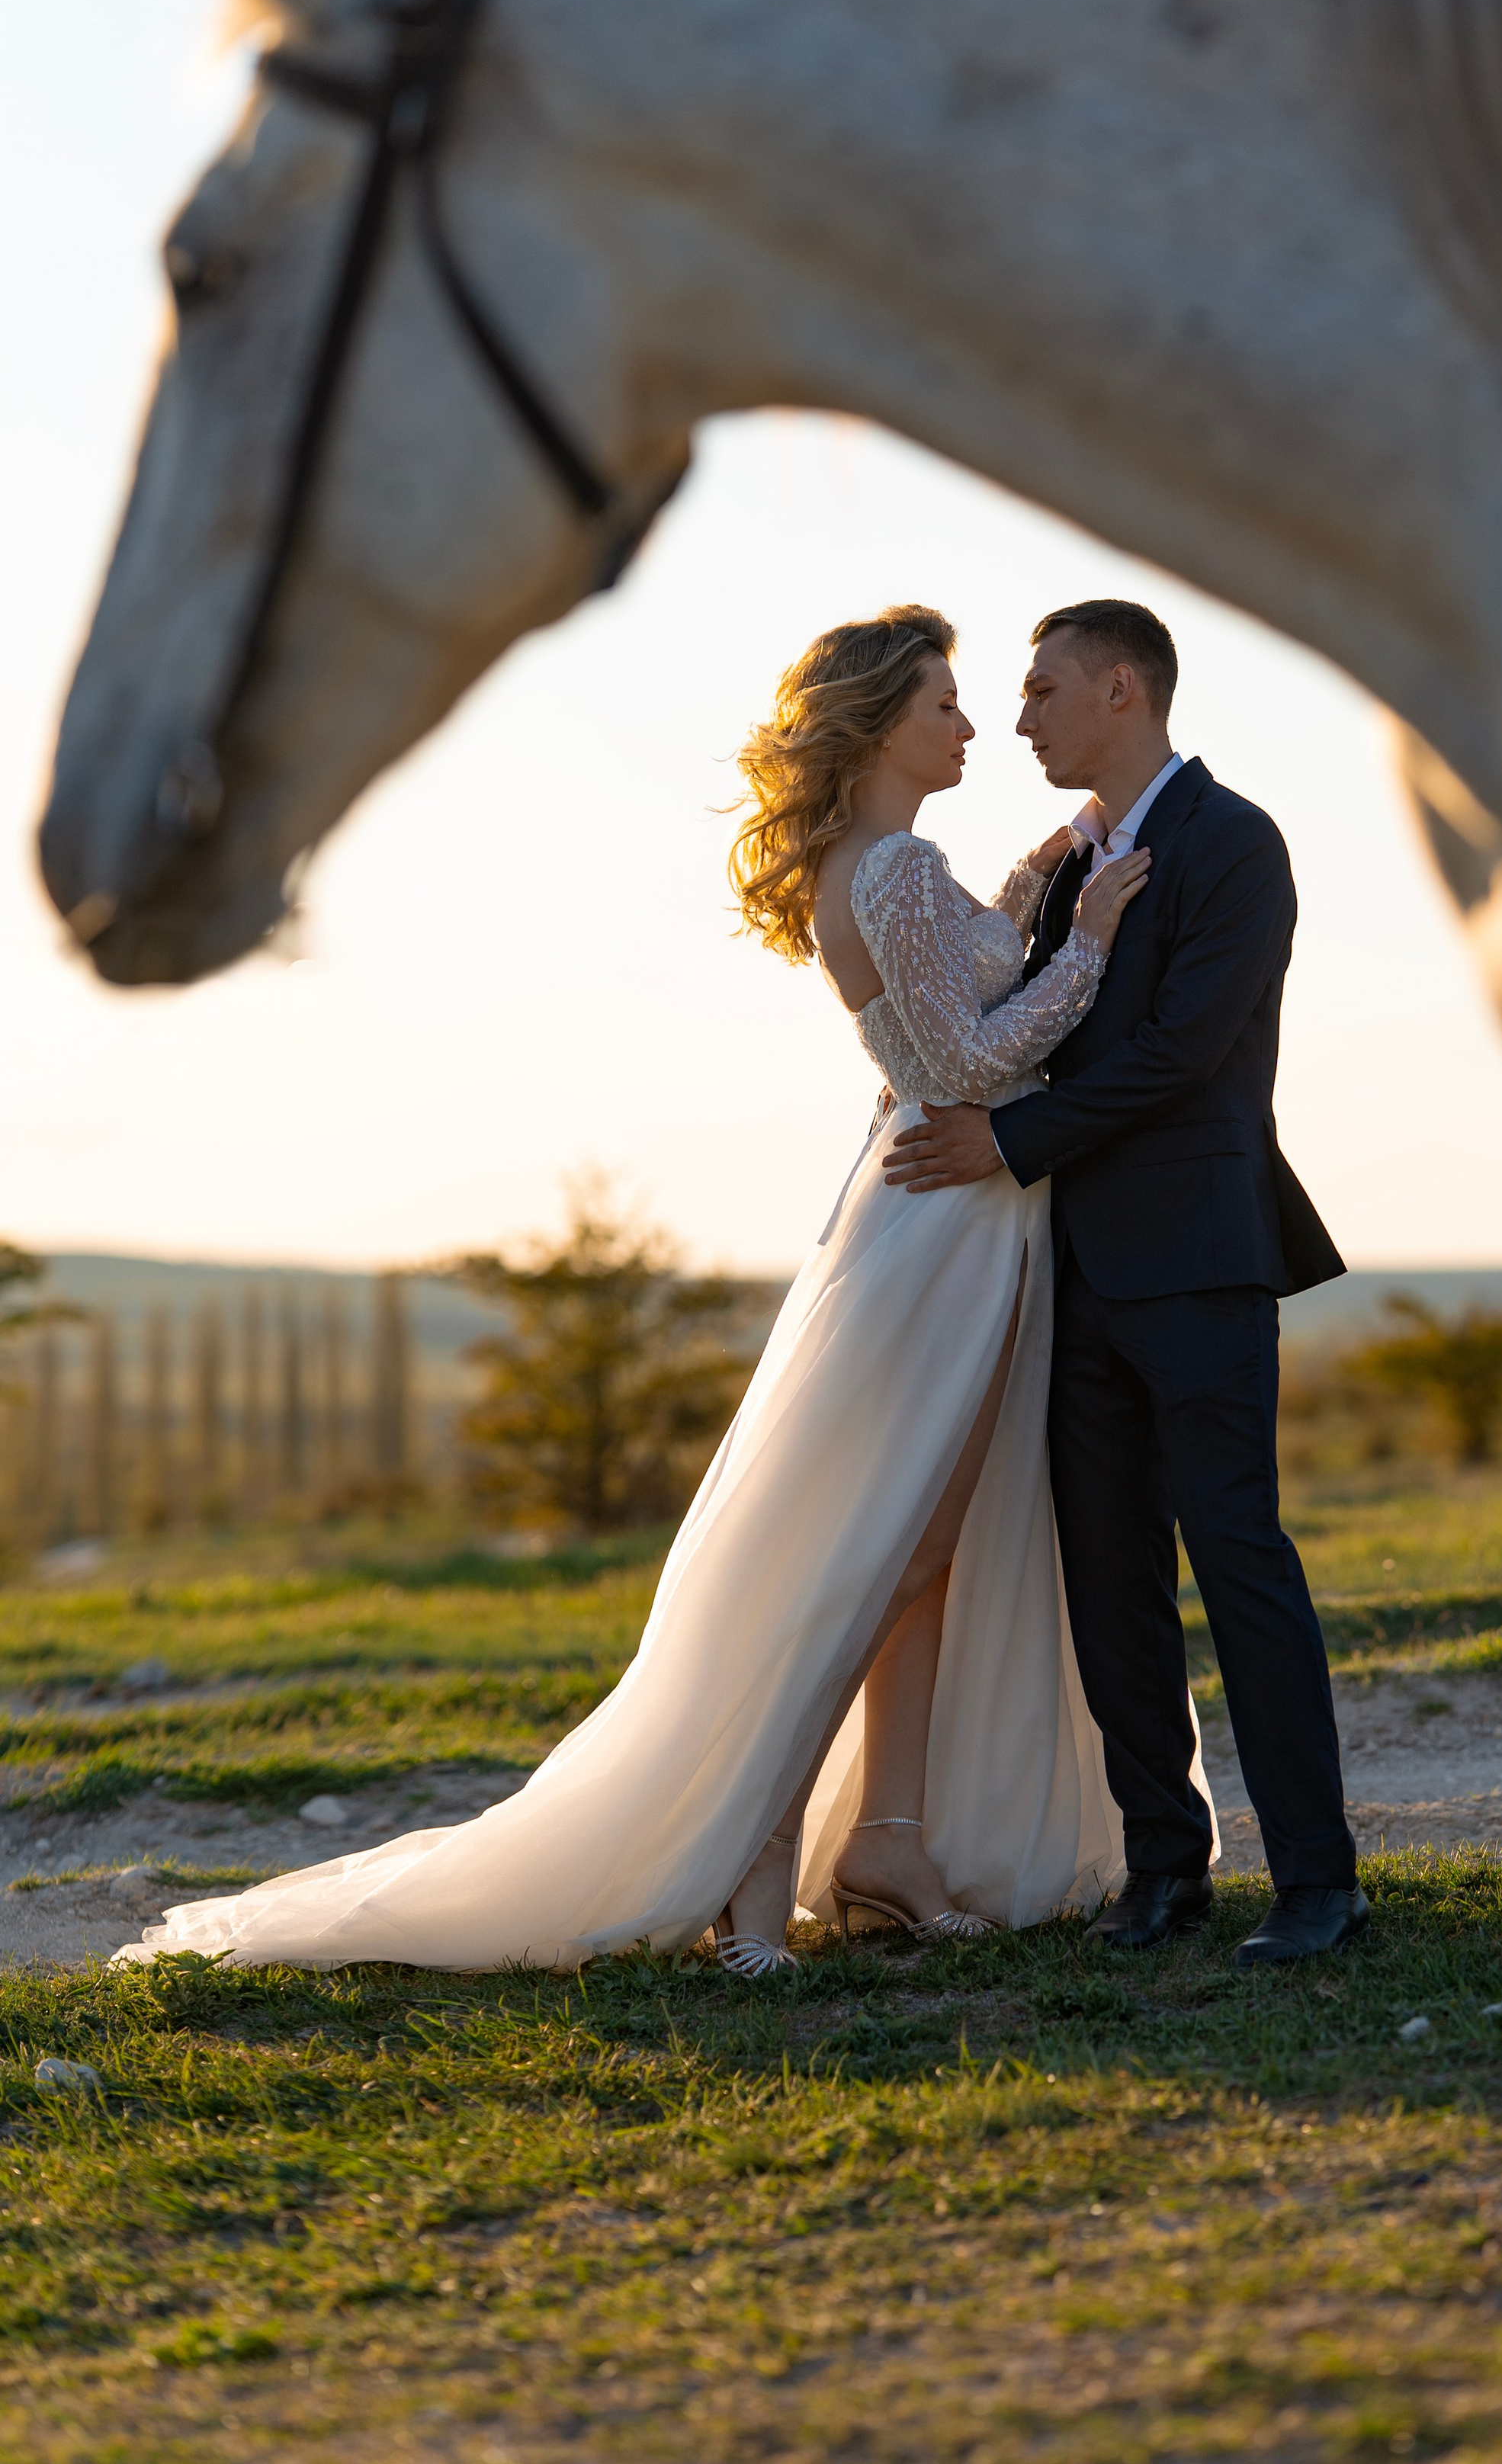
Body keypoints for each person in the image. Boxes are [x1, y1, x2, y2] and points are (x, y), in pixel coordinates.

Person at [117, 607, 1159, 1978]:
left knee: (935, 1553)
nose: (973, 727)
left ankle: (891, 1844)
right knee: (896, 1551)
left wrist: (1047, 874)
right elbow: (968, 1067)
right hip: (945, 1232)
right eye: (946, 705)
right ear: (880, 725)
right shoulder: (897, 865)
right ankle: (757, 1854)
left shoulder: (896, 865)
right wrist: (1085, 945)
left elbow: (957, 980)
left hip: (959, 1227)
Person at [881, 599, 1368, 1968]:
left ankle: (1320, 1882)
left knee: (1239, 1559)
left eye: (1040, 690)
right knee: (1108, 1582)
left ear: (1121, 687)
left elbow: (1184, 1054)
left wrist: (1008, 1140)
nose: (1019, 716)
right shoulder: (1072, 858)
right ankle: (1164, 1869)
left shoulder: (1235, 843)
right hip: (1064, 1273)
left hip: (1200, 1261)